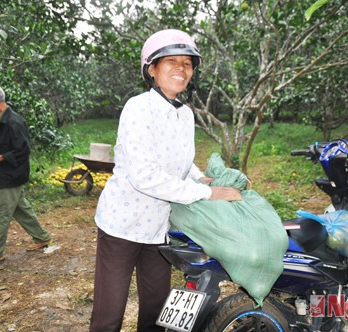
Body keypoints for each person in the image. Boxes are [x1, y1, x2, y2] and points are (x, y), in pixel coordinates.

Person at [90, 29, 242, 331]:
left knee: (156, 310)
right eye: (171, 61)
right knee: (110, 313)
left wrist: (203, 178)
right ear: (152, 69)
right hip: (121, 226)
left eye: (187, 63)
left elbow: (180, 163)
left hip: (159, 227)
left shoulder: (185, 114)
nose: (180, 69)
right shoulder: (138, 108)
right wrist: (204, 193)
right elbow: (145, 175)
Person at [0, 84, 51, 266]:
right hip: (8, 172)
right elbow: (6, 149)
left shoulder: (14, 122)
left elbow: (23, 151)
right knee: (21, 209)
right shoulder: (0, 119)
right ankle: (42, 238)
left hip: (11, 175)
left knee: (0, 214)